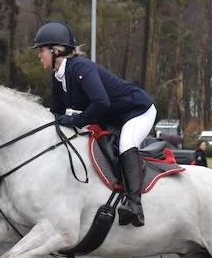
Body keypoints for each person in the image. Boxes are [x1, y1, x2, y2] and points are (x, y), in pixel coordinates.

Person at [34, 21, 156, 227]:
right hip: (110, 117)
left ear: (56, 51)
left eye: (42, 51)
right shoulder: (58, 77)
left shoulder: (81, 68)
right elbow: (56, 115)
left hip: (136, 110)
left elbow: (101, 102)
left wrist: (75, 121)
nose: (39, 56)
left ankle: (135, 206)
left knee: (126, 144)